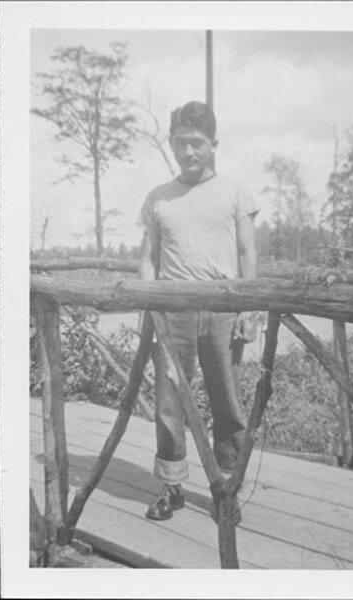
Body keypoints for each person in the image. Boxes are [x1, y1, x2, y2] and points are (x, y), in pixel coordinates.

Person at [139, 101, 258, 520]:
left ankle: (228, 490)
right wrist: (150, 303)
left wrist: (248, 307)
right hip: (173, 313)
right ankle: (172, 488)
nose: (188, 152)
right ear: (170, 143)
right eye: (180, 143)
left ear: (213, 144)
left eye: (197, 143)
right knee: (170, 403)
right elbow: (148, 259)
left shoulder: (236, 192)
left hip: (224, 310)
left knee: (227, 402)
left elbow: (247, 252)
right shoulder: (158, 198)